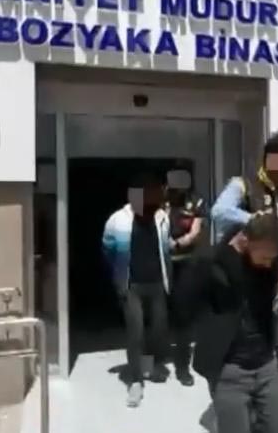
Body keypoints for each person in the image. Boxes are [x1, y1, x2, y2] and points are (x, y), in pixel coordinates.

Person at [211, 129, 278, 433]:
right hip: (247, 288)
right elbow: (219, 212)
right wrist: (259, 222)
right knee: (244, 354)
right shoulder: (242, 186)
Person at [174, 212, 278, 433]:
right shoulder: (211, 264)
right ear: (246, 241)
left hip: (266, 366)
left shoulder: (268, 268)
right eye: (265, 257)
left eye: (273, 258)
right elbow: (183, 305)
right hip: (229, 372)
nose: (269, 263)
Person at [101, 172, 173, 408]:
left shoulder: (162, 218)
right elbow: (108, 250)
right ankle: (135, 381)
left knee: (158, 329)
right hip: (132, 285)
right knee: (136, 331)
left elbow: (165, 249)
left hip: (157, 283)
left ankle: (148, 366)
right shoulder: (117, 220)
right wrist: (119, 276)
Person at [164, 167, 206, 387]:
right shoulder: (160, 199)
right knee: (157, 313)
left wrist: (178, 243)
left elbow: (195, 231)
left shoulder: (196, 202)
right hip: (161, 264)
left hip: (186, 263)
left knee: (183, 316)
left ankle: (182, 367)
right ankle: (155, 360)